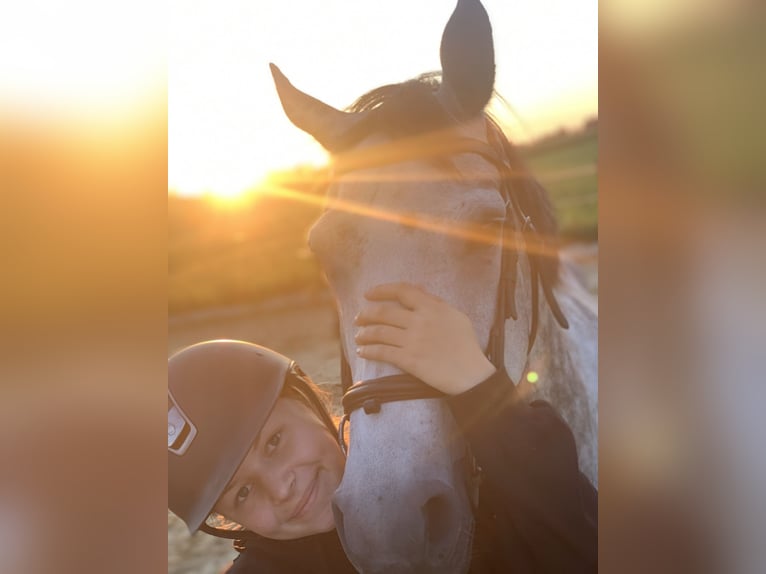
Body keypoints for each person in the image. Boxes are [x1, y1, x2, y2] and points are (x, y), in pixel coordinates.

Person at [168, 283, 597, 573]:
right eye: (242, 493)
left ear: (307, 401)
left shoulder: (478, 472)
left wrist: (480, 392)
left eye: (275, 442)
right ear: (226, 521)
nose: (280, 489)